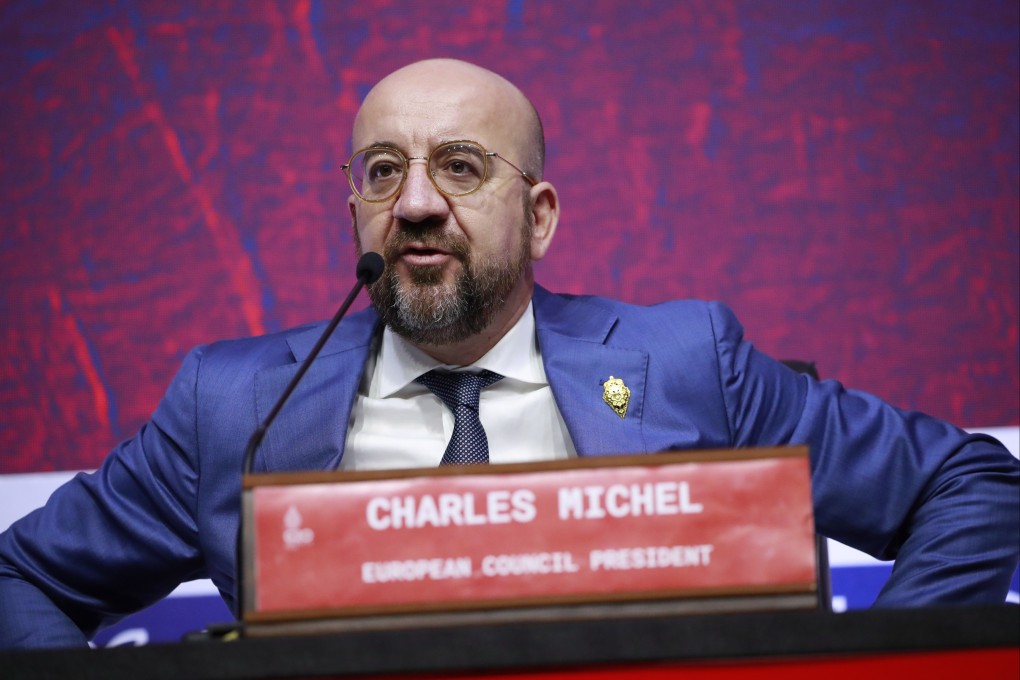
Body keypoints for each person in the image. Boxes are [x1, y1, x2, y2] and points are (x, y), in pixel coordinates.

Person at [1, 58, 1017, 649]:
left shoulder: (689, 361)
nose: (415, 203)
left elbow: (970, 484)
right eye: (383, 171)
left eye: (459, 166)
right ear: (353, 209)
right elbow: (21, 576)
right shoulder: (232, 406)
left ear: (539, 217)